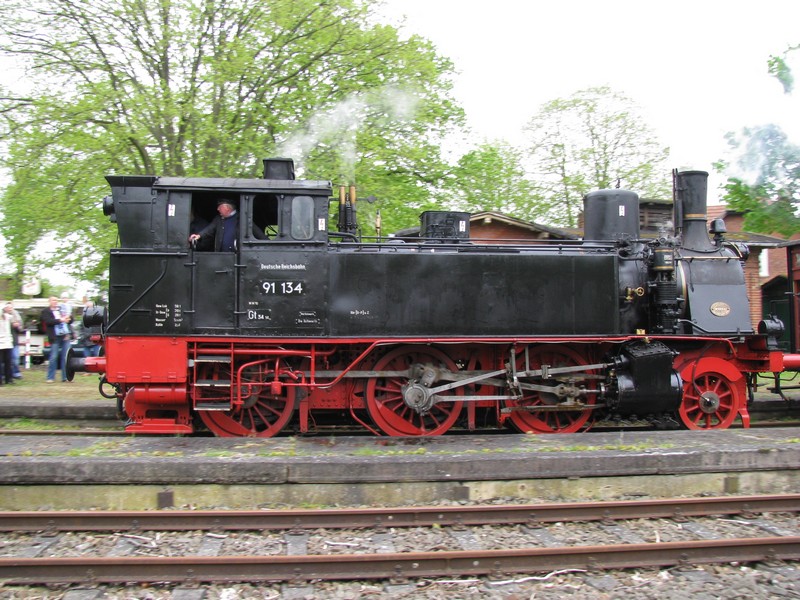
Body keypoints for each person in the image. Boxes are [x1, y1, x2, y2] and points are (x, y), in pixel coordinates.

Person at [188, 199, 266, 251]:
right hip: (222, 255)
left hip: (237, 255)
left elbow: (258, 233)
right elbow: (209, 229)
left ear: (227, 208)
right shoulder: (218, 219)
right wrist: (199, 235)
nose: (217, 209)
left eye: (219, 207)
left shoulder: (242, 219)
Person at [41, 296, 72, 383]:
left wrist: (68, 319)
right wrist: (60, 320)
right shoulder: (46, 311)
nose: (55, 302)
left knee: (65, 357)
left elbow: (70, 320)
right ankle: (50, 377)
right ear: (49, 301)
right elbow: (48, 321)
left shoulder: (61, 309)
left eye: (56, 300)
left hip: (65, 335)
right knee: (53, 357)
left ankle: (65, 377)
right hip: (54, 336)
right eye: (53, 300)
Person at [2, 302, 23, 379]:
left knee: (15, 358)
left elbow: (20, 329)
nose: (9, 309)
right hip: (4, 341)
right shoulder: (3, 318)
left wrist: (17, 326)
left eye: (11, 307)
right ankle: (5, 374)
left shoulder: (16, 316)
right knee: (5, 359)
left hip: (13, 340)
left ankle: (16, 373)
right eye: (8, 307)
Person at [0, 305, 13, 385]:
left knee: (8, 361)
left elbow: (12, 315)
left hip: (8, 342)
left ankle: (9, 379)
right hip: (0, 343)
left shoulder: (7, 317)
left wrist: (10, 308)